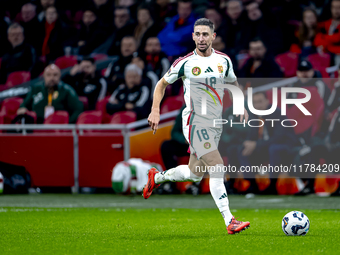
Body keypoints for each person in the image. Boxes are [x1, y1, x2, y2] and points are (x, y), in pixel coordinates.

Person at [145, 18, 250, 234]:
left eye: (205, 34)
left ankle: (156, 178)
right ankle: (229, 220)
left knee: (195, 173)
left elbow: (233, 83)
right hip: (195, 121)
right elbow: (161, 84)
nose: (201, 38)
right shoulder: (184, 62)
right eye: (197, 34)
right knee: (217, 165)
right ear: (193, 36)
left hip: (214, 124)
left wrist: (240, 105)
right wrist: (155, 109)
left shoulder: (224, 61)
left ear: (213, 37)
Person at [236, 92, 297, 192]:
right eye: (255, 103)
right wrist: (248, 143)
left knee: (273, 148)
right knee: (242, 149)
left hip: (285, 146)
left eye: (260, 101)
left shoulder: (277, 113)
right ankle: (252, 185)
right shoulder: (253, 115)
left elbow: (279, 138)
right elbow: (251, 136)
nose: (258, 105)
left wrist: (256, 144)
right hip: (265, 147)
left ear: (267, 101)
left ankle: (272, 186)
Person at [17, 64, 83, 124]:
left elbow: (78, 109)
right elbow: (24, 105)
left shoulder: (67, 90)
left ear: (59, 76)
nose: (52, 78)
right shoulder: (36, 89)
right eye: (49, 75)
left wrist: (68, 123)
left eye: (55, 75)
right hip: (37, 126)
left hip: (58, 128)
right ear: (44, 76)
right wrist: (23, 108)